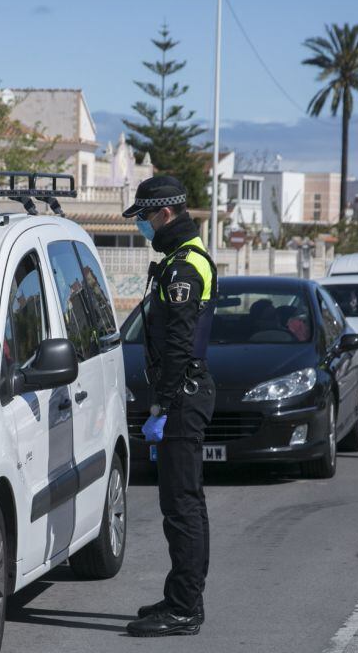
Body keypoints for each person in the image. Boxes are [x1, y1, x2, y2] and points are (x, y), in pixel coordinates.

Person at [122, 176, 217, 638]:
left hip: (183, 394)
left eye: (143, 217)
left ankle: (184, 608)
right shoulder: (180, 260)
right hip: (185, 393)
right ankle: (181, 596)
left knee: (181, 505)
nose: (141, 226)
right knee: (181, 503)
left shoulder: (184, 268)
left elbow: (178, 344)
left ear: (164, 214)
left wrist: (163, 403)